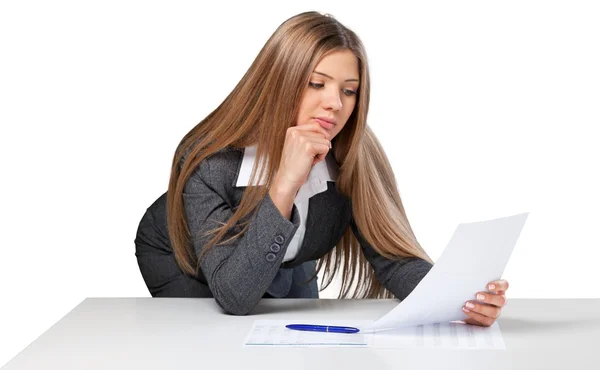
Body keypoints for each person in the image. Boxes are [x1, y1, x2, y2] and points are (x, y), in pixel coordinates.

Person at [135, 11, 509, 325]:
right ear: (279, 82)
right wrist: (286, 180)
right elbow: (234, 295)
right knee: (223, 343)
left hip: (286, 257)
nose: (335, 103)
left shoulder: (355, 152)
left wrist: (460, 300)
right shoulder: (210, 160)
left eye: (349, 90)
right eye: (317, 84)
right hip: (182, 257)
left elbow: (392, 258)